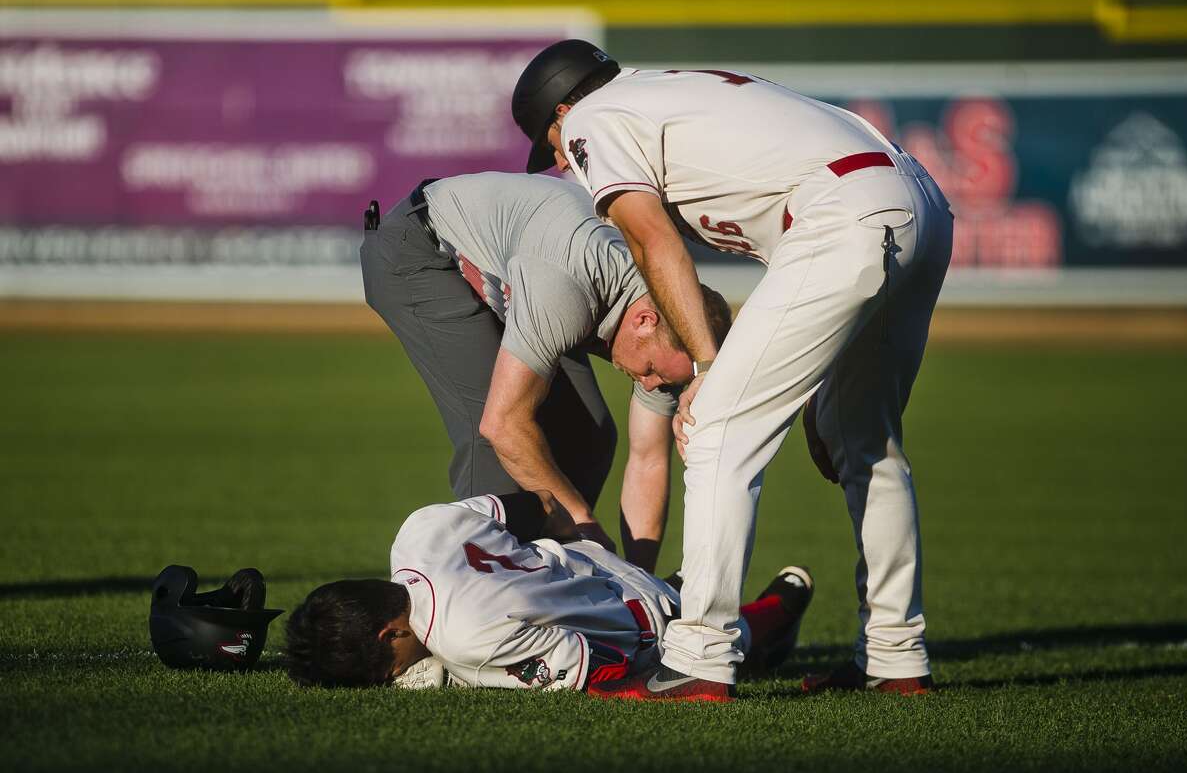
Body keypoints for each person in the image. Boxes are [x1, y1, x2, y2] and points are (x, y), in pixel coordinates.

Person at [511, 41, 954, 700]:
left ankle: (700, 656)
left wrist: (710, 369)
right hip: (915, 202)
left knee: (715, 425)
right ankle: (895, 655)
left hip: (842, 214)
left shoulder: (590, 119)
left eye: (548, 137)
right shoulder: (660, 92)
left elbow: (649, 239)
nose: (558, 156)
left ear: (564, 107)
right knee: (865, 441)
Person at [360, 172, 731, 570]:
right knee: (492, 437)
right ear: (644, 319)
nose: (652, 384)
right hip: (423, 250)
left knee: (588, 436)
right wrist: (583, 523)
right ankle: (479, 594)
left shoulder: (670, 327)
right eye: (652, 371)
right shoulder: (567, 286)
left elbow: (649, 460)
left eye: (664, 381)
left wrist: (639, 574)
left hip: (520, 274)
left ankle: (556, 582)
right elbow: (501, 426)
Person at [283, 490, 813, 696]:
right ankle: (747, 605)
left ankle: (769, 615)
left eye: (383, 670)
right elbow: (536, 505)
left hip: (648, 624)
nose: (392, 677)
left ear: (389, 631)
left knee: (718, 649)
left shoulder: (464, 640)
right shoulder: (416, 531)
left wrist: (469, 678)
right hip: (601, 564)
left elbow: (600, 670)